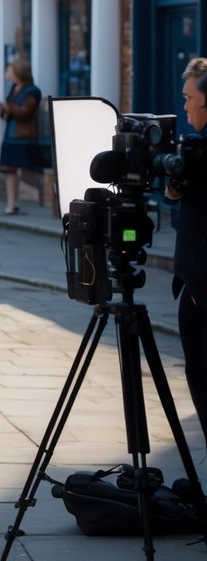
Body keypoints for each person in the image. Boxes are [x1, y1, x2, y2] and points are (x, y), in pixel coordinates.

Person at [167, 56, 207, 443]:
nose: (184, 106)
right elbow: (172, 194)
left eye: (189, 97)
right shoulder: (194, 150)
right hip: (193, 286)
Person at [0, 60, 43, 215]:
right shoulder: (14, 88)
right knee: (10, 170)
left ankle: (39, 198)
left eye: (9, 70)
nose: (7, 73)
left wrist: (8, 107)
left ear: (18, 72)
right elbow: (7, 112)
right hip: (10, 134)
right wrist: (4, 110)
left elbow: (25, 113)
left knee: (27, 170)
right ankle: (12, 204)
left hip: (23, 136)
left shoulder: (32, 91)